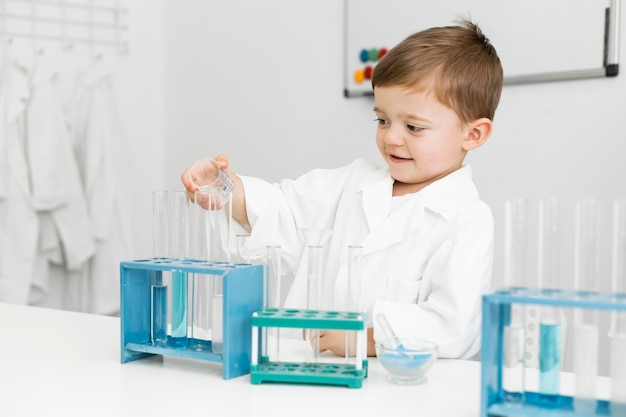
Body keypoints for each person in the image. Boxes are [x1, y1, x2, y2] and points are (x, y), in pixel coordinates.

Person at [181, 18, 503, 359]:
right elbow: (280, 210)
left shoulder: (466, 219)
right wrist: (222, 188)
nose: (392, 137)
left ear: (473, 134)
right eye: (382, 120)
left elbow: (455, 328)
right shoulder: (351, 184)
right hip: (302, 370)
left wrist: (363, 340)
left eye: (413, 126)